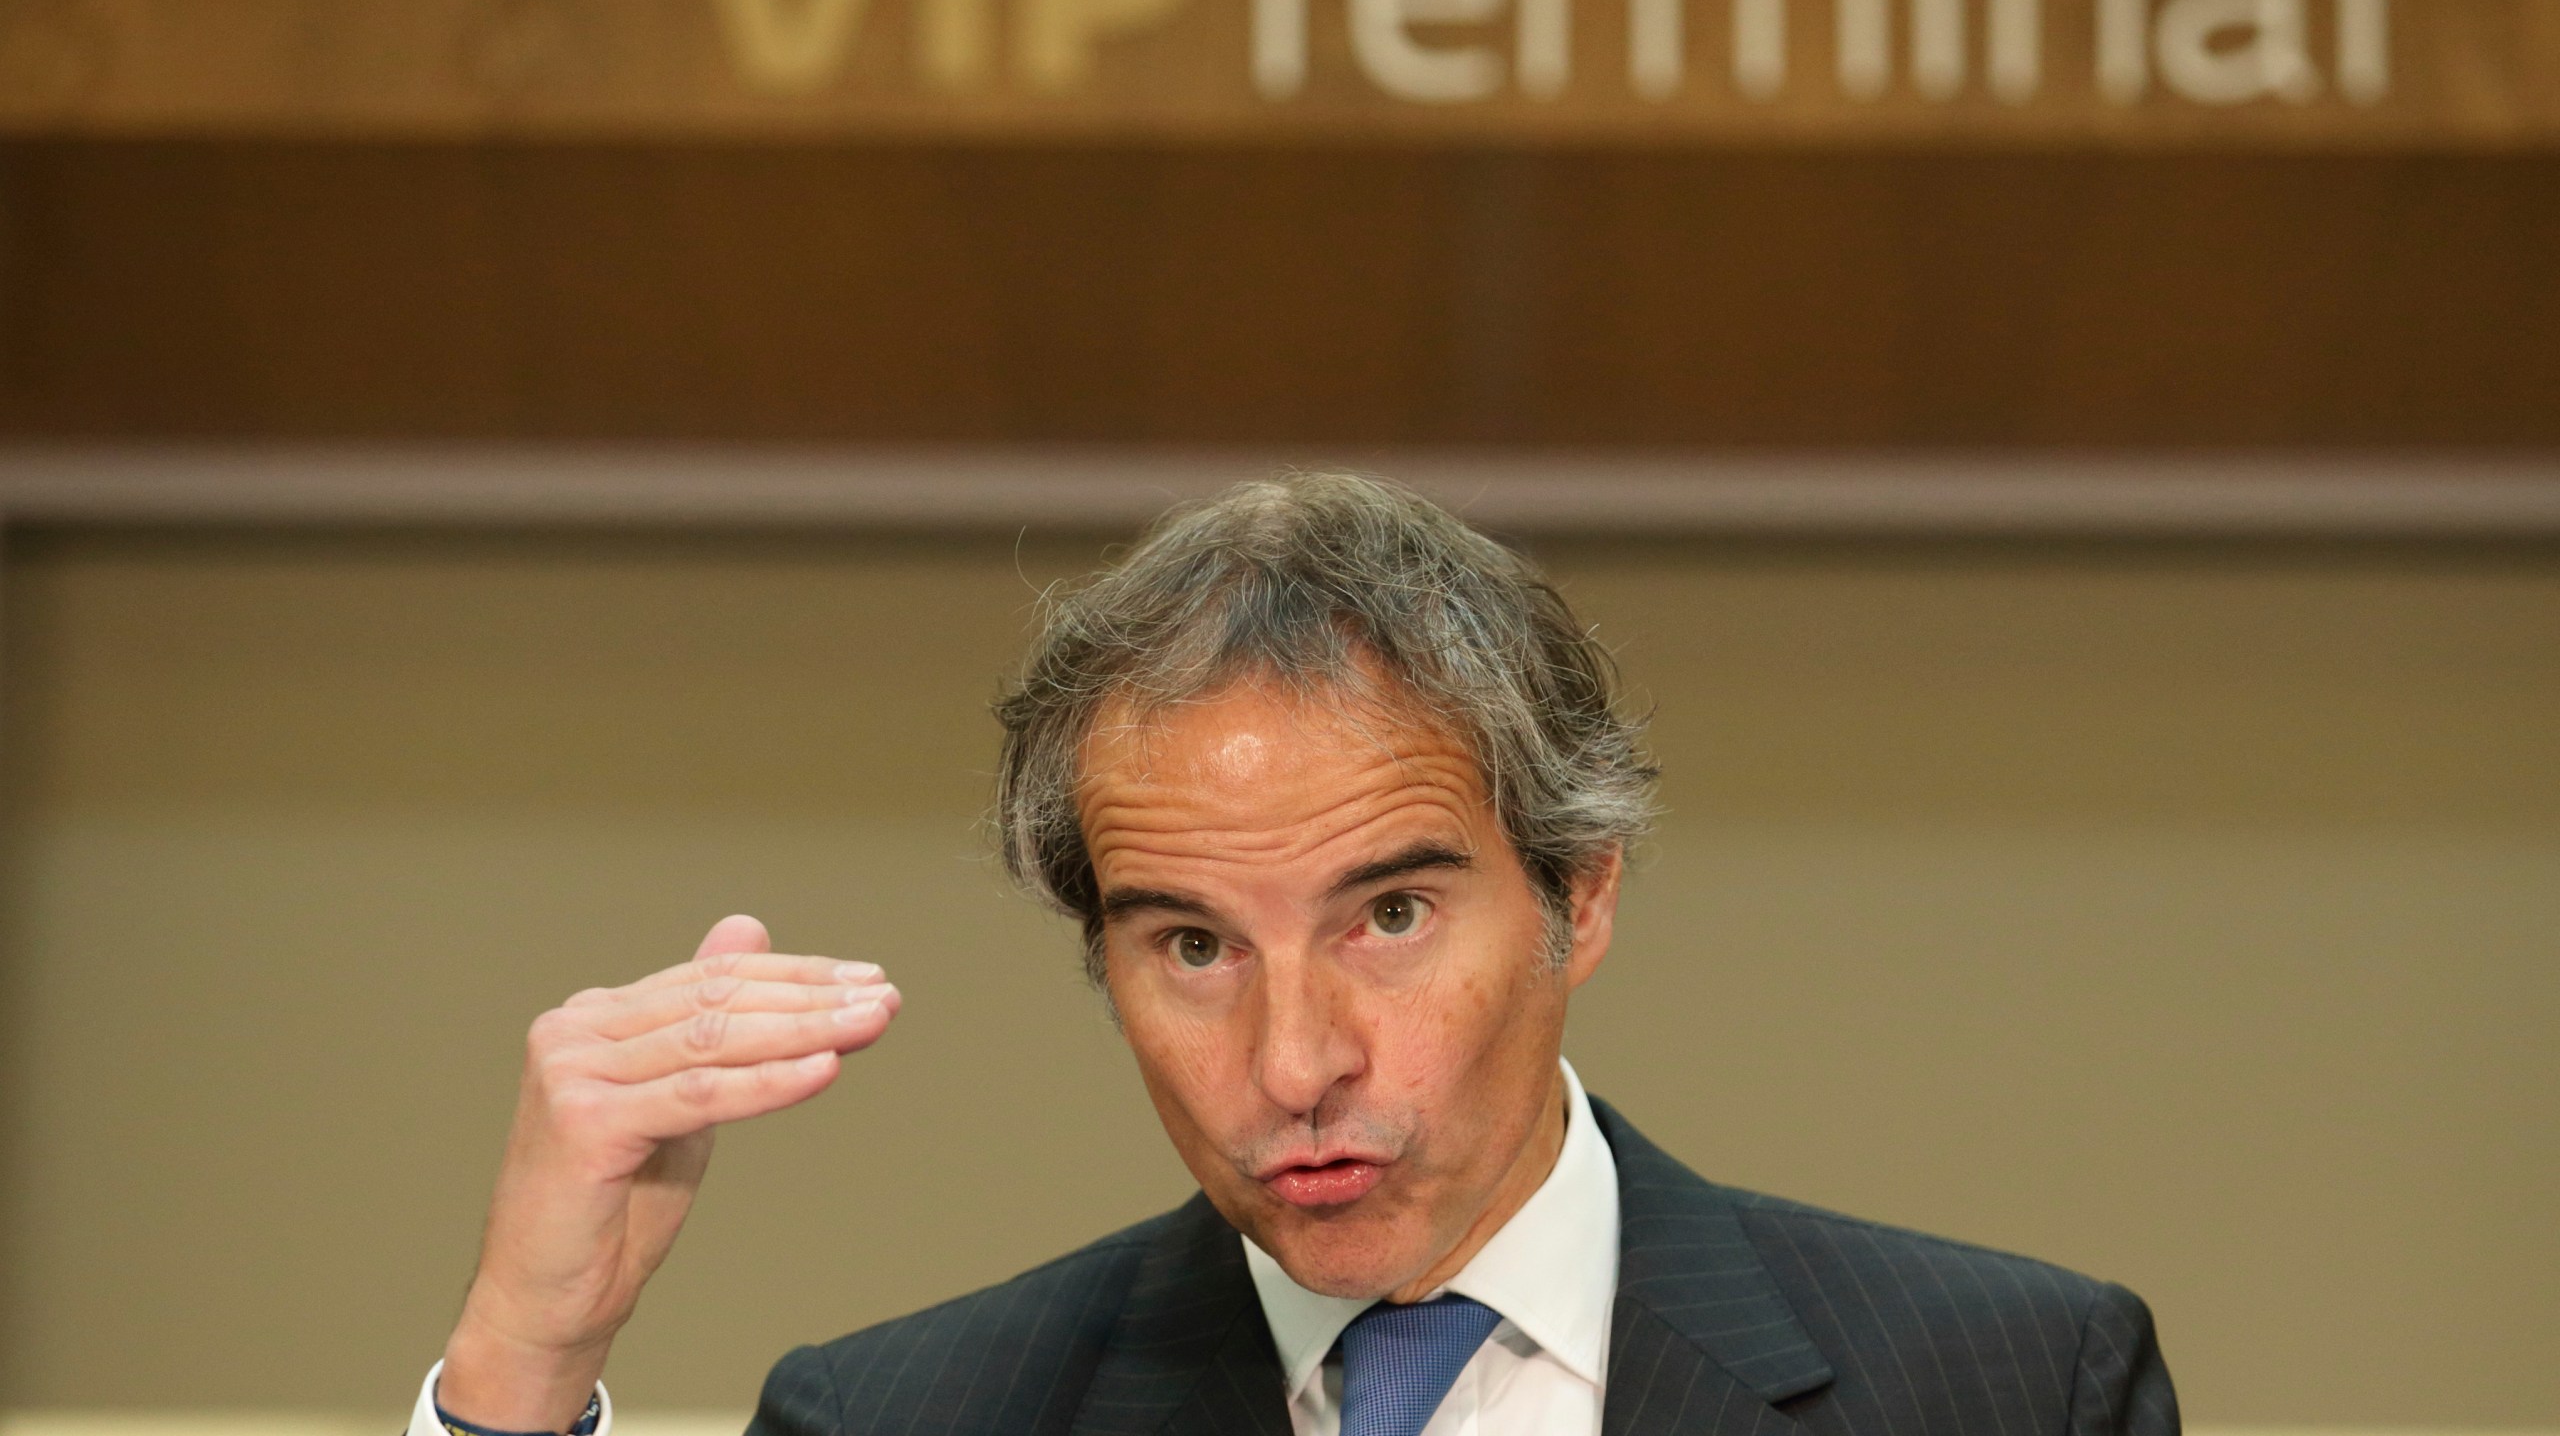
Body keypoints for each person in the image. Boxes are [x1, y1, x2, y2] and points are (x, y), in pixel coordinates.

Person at [410, 473, 2179, 1436]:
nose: (1294, 1061)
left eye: (1389, 917)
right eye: (1191, 944)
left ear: (1582, 896)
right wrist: (522, 1363)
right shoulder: (908, 1426)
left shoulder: (2013, 1390)